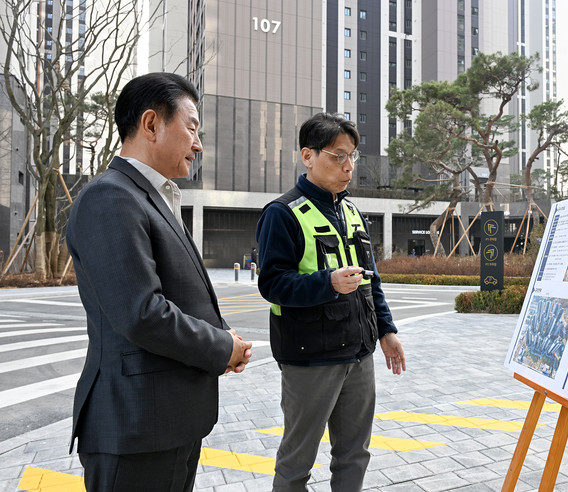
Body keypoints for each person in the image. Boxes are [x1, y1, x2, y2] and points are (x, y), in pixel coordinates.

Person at [65, 72, 253, 491]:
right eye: (192, 128)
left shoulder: (154, 197)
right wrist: (221, 346)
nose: (198, 144)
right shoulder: (111, 197)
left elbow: (180, 293)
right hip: (136, 428)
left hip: (169, 421)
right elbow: (142, 313)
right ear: (151, 124)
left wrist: (224, 337)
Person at [256, 112, 406, 491]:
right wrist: (328, 283)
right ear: (308, 156)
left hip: (359, 354)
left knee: (354, 455)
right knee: (296, 463)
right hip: (310, 359)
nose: (349, 166)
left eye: (352, 156)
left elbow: (371, 280)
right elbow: (272, 284)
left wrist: (386, 330)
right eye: (338, 156)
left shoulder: (352, 212)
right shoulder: (282, 214)